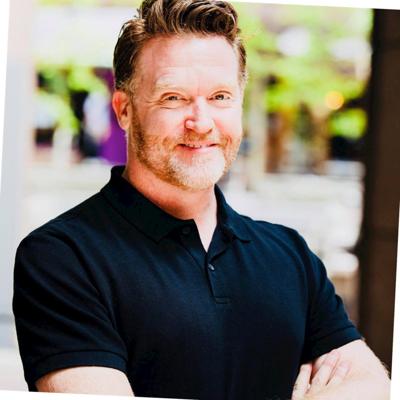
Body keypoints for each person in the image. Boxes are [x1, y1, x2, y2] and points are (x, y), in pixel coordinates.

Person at [13, 1, 390, 399]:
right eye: (173, 98)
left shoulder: (290, 254)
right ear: (124, 110)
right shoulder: (62, 257)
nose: (201, 122)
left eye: (220, 96)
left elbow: (372, 387)